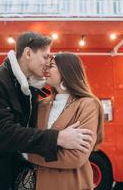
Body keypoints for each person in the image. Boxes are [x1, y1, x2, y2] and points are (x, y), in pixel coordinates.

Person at [0, 32, 94, 190]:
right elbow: (1, 133)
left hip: (17, 178)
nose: (47, 63)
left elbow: (29, 132)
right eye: (45, 57)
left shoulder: (29, 89)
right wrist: (57, 138)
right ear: (28, 53)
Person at [27, 53, 104, 190]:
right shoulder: (41, 105)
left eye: (51, 66)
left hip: (72, 184)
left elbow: (76, 156)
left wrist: (28, 155)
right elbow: (29, 139)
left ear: (66, 70)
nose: (46, 70)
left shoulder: (88, 105)